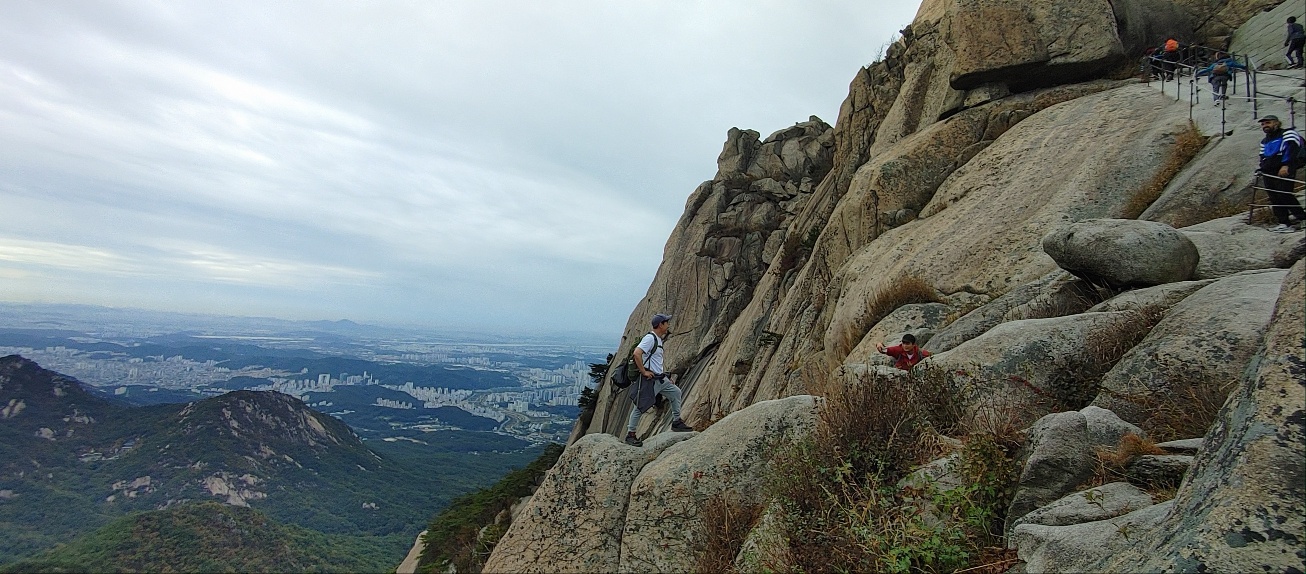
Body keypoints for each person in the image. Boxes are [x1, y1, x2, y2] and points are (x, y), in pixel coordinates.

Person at [624, 313, 693, 446]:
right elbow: (637, 353)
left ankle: (677, 421)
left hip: (660, 379)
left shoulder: (658, 339)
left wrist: (666, 376)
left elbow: (656, 361)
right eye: (666, 322)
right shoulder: (650, 338)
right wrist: (643, 371)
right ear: (660, 324)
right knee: (640, 406)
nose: (668, 325)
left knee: (676, 393)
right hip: (650, 380)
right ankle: (630, 434)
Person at [1257, 115, 1306, 233]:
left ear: (1276, 123)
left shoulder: (1288, 133)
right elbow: (1263, 156)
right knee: (1274, 197)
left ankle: (1302, 218)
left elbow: (1291, 149)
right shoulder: (1265, 140)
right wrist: (1261, 169)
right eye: (1263, 124)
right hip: (1269, 171)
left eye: (1268, 123)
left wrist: (1286, 165)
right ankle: (1284, 222)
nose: (1265, 126)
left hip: (1284, 168)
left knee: (1284, 194)